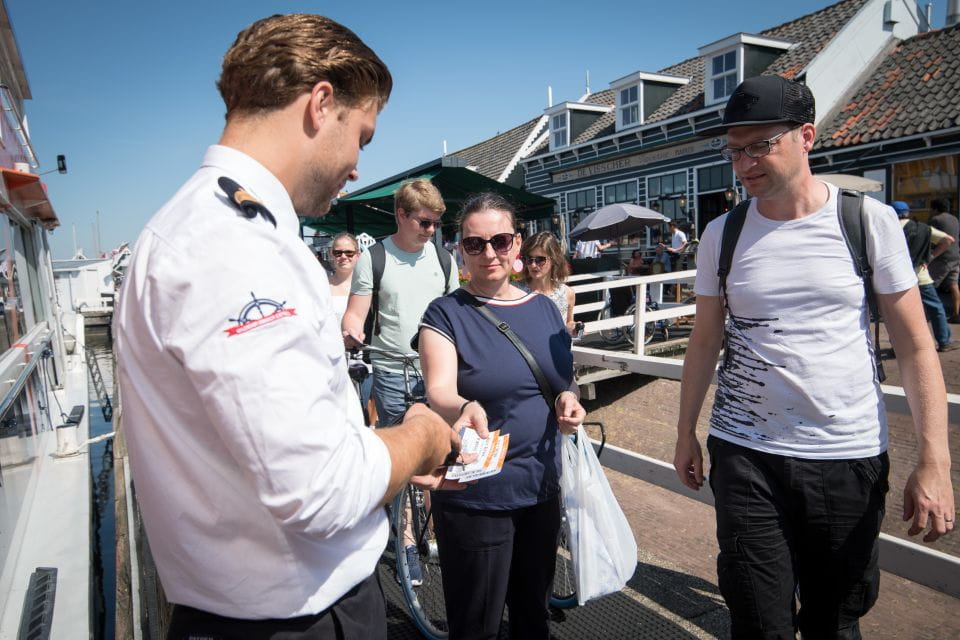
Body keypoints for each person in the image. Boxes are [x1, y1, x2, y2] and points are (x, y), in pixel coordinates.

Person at [114, 15, 464, 640]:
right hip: (294, 618)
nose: (357, 166)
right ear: (320, 102)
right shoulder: (233, 245)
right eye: (362, 136)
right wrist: (419, 437)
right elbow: (319, 488)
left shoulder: (200, 226)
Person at [673, 74, 954, 639]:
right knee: (756, 617)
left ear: (807, 136)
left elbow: (915, 343)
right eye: (734, 151)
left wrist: (936, 462)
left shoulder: (865, 222)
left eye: (760, 146)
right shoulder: (721, 235)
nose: (745, 163)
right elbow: (704, 341)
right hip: (746, 452)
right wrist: (686, 431)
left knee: (834, 618)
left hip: (845, 452)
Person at [418, 193, 586, 640]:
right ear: (459, 250)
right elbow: (439, 389)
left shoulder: (545, 308)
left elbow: (561, 378)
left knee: (533, 617)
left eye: (500, 240)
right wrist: (463, 406)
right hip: (478, 494)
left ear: (516, 244)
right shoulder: (446, 313)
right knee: (477, 624)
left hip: (540, 486)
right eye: (475, 244)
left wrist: (568, 400)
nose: (489, 253)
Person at [341, 178, 459, 428]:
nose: (431, 230)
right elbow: (354, 314)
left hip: (440, 372)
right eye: (424, 222)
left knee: (443, 449)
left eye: (435, 224)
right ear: (401, 215)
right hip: (392, 373)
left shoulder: (444, 259)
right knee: (400, 452)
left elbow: (457, 317)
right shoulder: (374, 258)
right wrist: (352, 329)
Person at [892, 200, 958, 352]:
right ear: (908, 212)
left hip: (898, 278)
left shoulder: (890, 229)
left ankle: (900, 345)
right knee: (936, 308)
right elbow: (949, 240)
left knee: (899, 312)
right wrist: (931, 257)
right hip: (921, 277)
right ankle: (944, 341)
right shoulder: (923, 228)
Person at [519, 230, 576, 334]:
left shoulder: (568, 293)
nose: (533, 265)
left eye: (540, 260)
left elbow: (568, 323)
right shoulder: (516, 292)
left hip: (558, 349)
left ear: (553, 259)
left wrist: (574, 328)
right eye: (529, 259)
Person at [928, 198, 960, 322]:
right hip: (955, 256)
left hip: (942, 257)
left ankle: (930, 314)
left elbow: (929, 237)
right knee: (954, 285)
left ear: (935, 208)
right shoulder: (955, 219)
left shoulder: (936, 220)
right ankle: (956, 313)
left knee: (930, 286)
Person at [327, 231, 360, 321]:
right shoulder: (322, 285)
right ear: (332, 254)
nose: (343, 256)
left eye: (349, 252)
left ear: (358, 255)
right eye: (338, 253)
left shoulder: (366, 286)